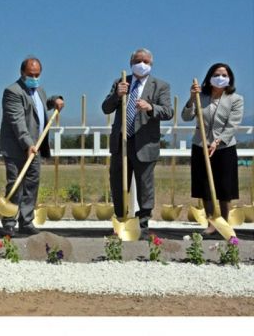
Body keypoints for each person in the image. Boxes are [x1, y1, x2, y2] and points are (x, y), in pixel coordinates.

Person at [101, 48, 173, 239]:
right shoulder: (121, 82)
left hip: (145, 143)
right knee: (118, 182)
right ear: (131, 62)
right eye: (138, 60)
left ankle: (143, 224)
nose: (142, 64)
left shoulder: (161, 86)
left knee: (145, 184)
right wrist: (117, 95)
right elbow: (106, 108)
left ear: (151, 64)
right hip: (122, 142)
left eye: (146, 61)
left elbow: (168, 111)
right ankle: (121, 219)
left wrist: (151, 108)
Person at [0, 57, 64, 237]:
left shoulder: (39, 90)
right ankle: (9, 223)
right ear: (22, 73)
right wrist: (28, 144)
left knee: (31, 185)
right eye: (30, 75)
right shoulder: (12, 92)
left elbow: (41, 105)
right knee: (16, 184)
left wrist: (56, 100)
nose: (34, 78)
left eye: (37, 75)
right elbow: (17, 122)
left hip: (36, 147)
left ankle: (26, 221)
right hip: (17, 148)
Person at [181, 62, 244, 236]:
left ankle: (224, 222)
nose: (221, 77)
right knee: (205, 187)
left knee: (224, 188)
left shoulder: (236, 99)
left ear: (230, 78)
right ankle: (211, 223)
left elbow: (233, 124)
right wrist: (193, 98)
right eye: (217, 74)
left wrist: (218, 141)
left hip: (224, 148)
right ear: (209, 78)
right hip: (201, 145)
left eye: (224, 75)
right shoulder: (201, 97)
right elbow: (186, 117)